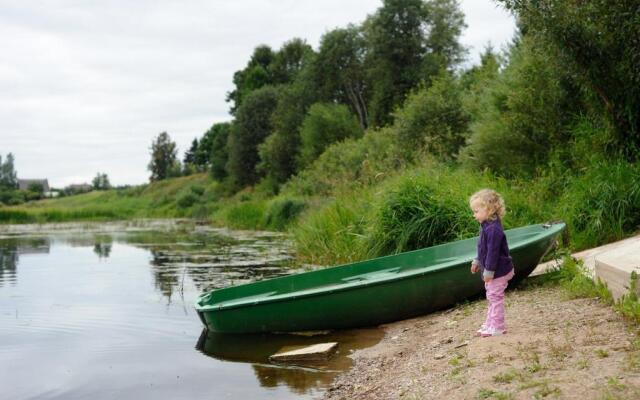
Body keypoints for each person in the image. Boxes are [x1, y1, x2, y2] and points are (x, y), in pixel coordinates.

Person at [469, 189, 515, 337]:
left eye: (476, 211)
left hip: (498, 270)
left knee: (495, 298)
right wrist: (477, 260)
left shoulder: (494, 229)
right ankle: (490, 323)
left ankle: (498, 327)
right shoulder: (485, 225)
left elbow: (493, 252)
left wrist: (488, 271)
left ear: (488, 210)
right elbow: (482, 248)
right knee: (491, 296)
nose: (474, 215)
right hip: (492, 270)